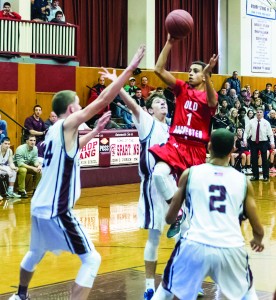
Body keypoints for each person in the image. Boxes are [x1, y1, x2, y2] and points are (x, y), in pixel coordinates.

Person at [9, 45, 145, 300]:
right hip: (56, 208)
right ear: (71, 110)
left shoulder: (53, 131)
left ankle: (20, 295)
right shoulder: (69, 123)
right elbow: (104, 100)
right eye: (79, 105)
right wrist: (130, 68)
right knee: (92, 259)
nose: (83, 107)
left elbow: (70, 150)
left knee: (34, 253)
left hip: (39, 205)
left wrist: (93, 133)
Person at [152, 129, 264, 300]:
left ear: (209, 146)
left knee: (165, 291)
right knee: (248, 294)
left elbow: (170, 217)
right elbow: (258, 228)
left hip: (195, 244)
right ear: (233, 150)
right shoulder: (243, 180)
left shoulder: (190, 174)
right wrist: (257, 239)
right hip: (231, 247)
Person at [149, 33, 218, 238]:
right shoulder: (181, 88)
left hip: (196, 150)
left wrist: (207, 75)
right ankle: (176, 213)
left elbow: (213, 103)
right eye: (189, 70)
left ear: (204, 76)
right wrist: (169, 42)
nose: (190, 73)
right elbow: (158, 70)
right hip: (176, 145)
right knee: (159, 174)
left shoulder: (208, 95)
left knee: (194, 200)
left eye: (195, 71)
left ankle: (197, 231)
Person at [244, 107, 275, 182]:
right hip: (254, 142)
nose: (259, 113)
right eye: (257, 112)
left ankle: (266, 176)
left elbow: (270, 134)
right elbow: (246, 132)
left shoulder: (266, 122)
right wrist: (245, 140)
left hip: (264, 142)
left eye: (260, 112)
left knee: (264, 159)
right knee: (254, 159)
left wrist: (272, 143)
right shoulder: (251, 122)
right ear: (256, 113)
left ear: (263, 114)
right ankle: (255, 176)